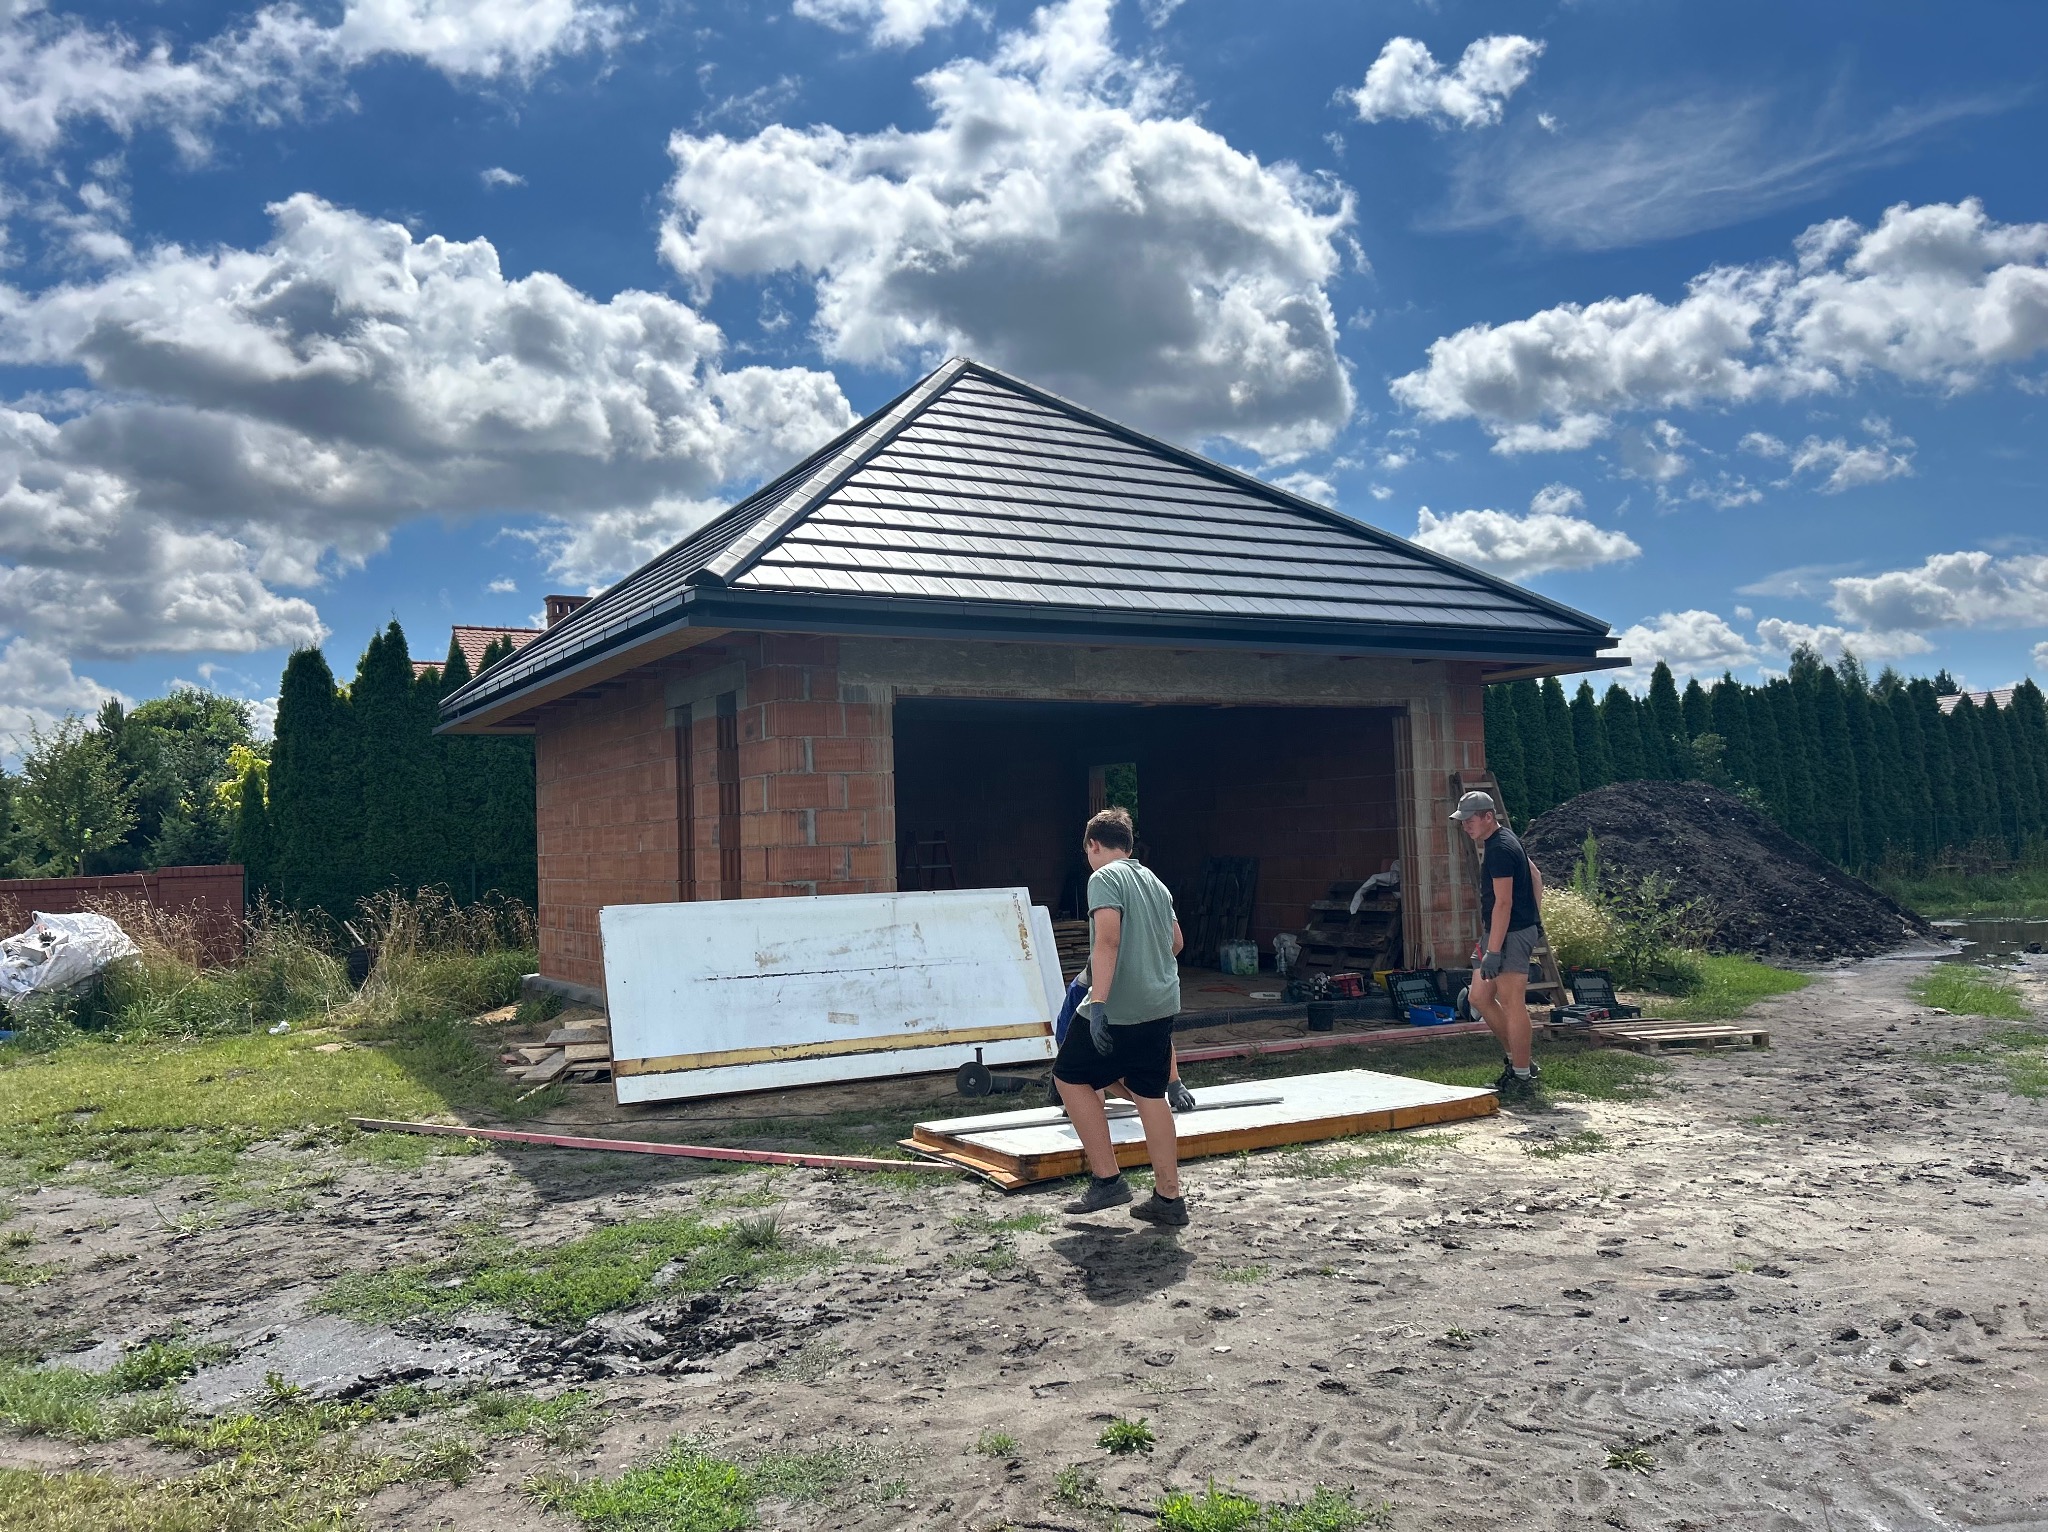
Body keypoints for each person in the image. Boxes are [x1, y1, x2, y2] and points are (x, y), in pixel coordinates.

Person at [1053, 807, 1189, 1225]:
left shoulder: (1104, 878)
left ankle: (1107, 1180)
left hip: (1119, 1006)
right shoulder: (1154, 881)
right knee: (1150, 1094)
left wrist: (1098, 1004)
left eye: (1087, 852)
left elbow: (1107, 941)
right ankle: (1169, 1199)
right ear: (1128, 846)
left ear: (1093, 845)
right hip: (1160, 1004)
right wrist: (1146, 965)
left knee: (1069, 1077)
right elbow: (1177, 942)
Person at [1451, 790, 1545, 1095]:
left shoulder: (1500, 849)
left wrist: (1494, 950)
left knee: (1512, 1002)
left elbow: (1503, 903)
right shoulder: (1503, 839)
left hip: (1510, 934)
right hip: (1501, 931)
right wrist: (1535, 916)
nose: (1465, 825)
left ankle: (1522, 1078)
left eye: (1470, 820)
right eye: (1462, 820)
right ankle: (1519, 1061)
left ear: (1488, 817)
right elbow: (1535, 874)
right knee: (1478, 996)